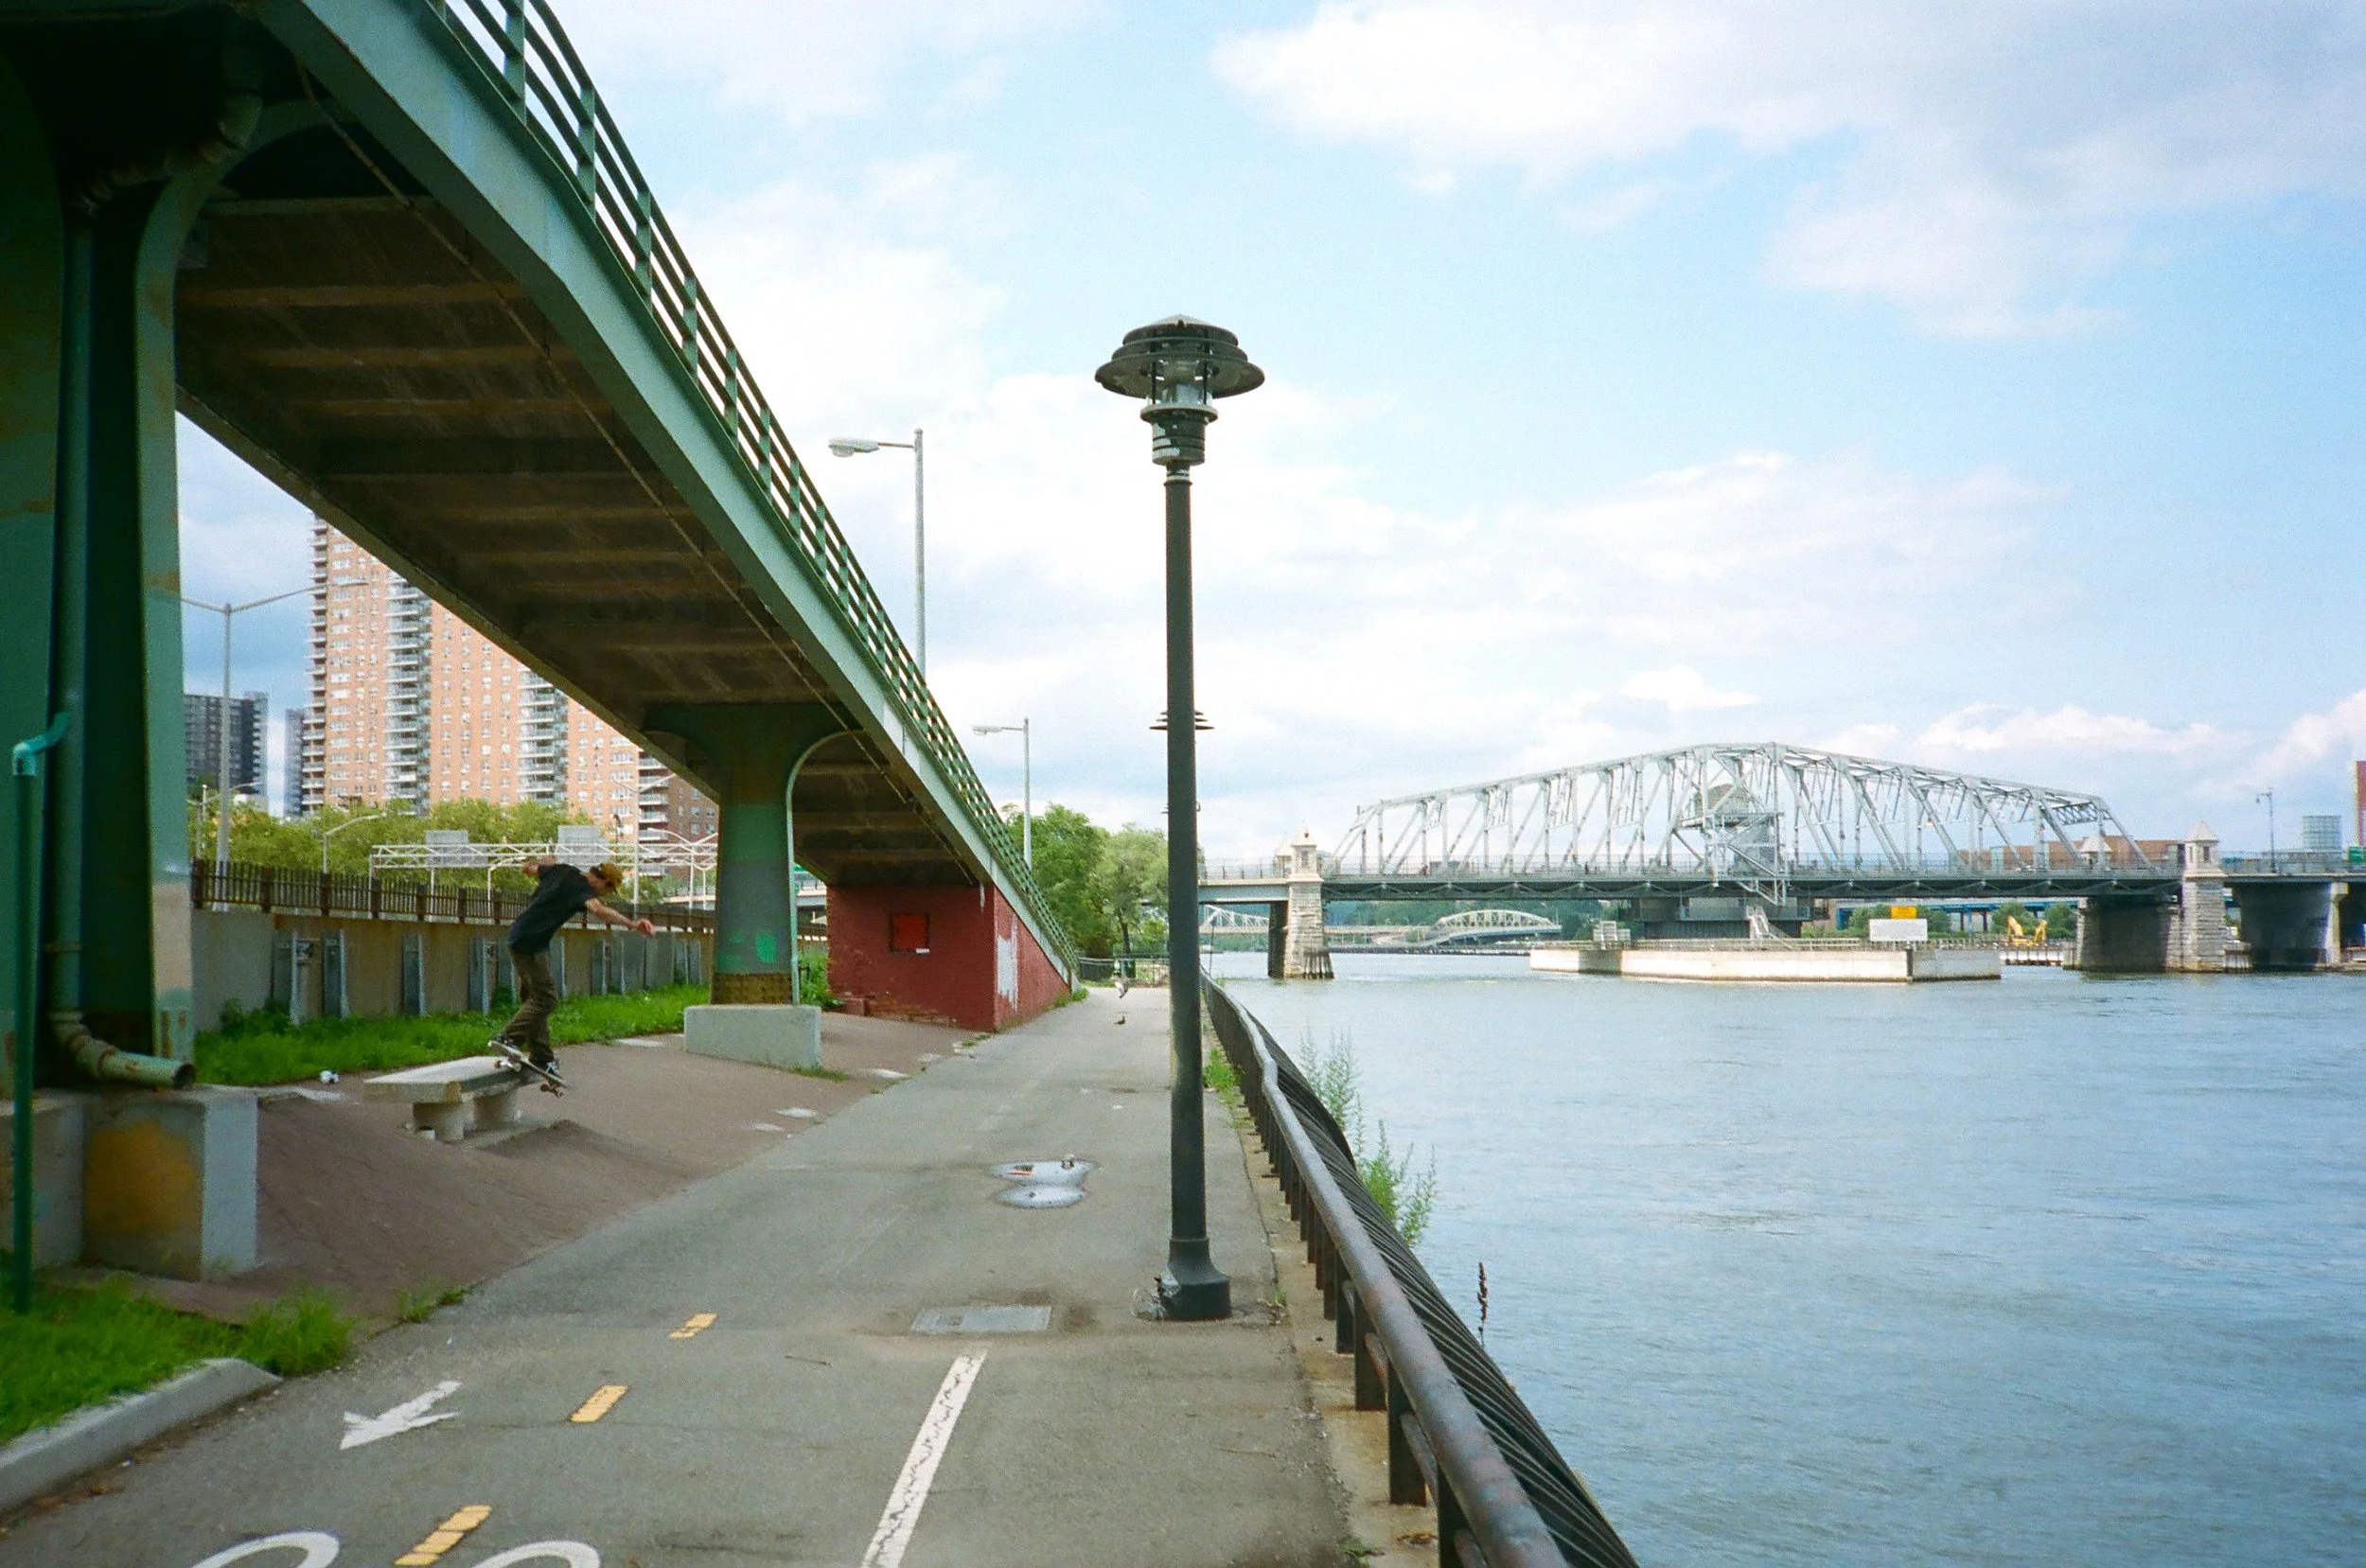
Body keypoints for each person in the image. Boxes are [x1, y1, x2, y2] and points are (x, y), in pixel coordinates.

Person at [493, 859, 656, 1081]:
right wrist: (632, 923)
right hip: (530, 943)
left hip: (522, 938)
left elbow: (528, 867)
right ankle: (507, 1038)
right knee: (546, 1000)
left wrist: (544, 863)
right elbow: (600, 911)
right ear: (604, 882)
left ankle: (542, 1057)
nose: (604, 896)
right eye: (608, 891)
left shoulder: (562, 870)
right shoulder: (583, 889)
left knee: (534, 999)